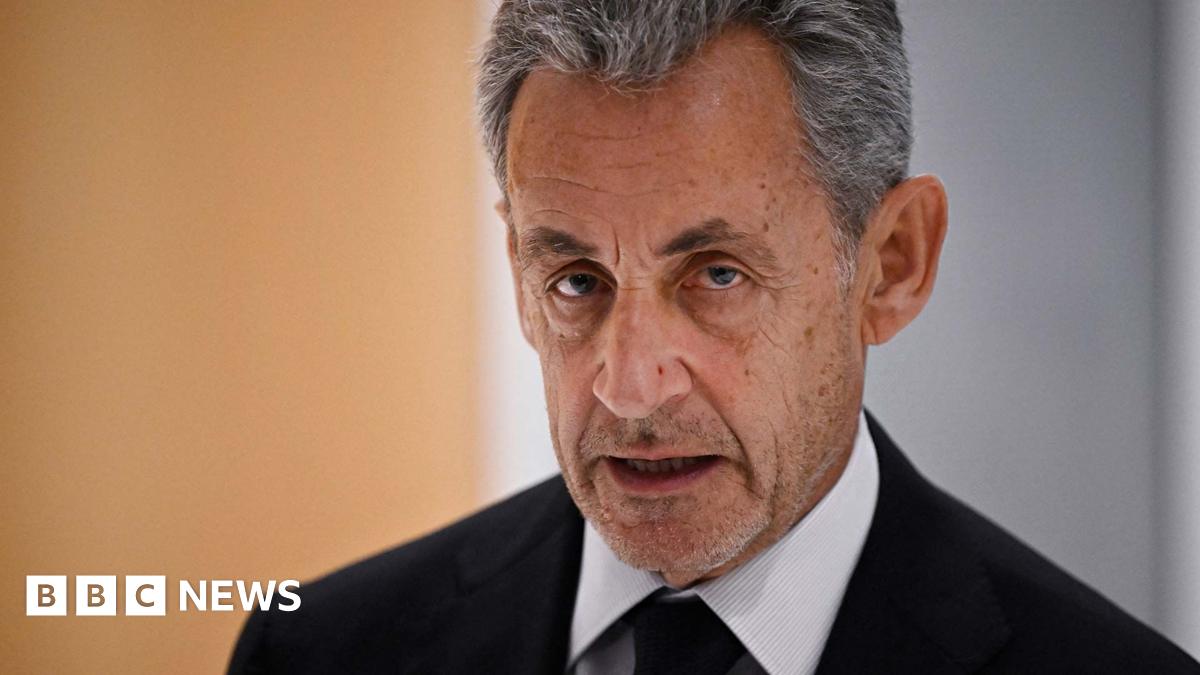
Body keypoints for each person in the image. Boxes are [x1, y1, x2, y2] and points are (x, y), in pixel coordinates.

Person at [228, 1, 1200, 673]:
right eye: (576, 280)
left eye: (717, 275)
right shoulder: (318, 654)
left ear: (891, 264)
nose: (630, 386)